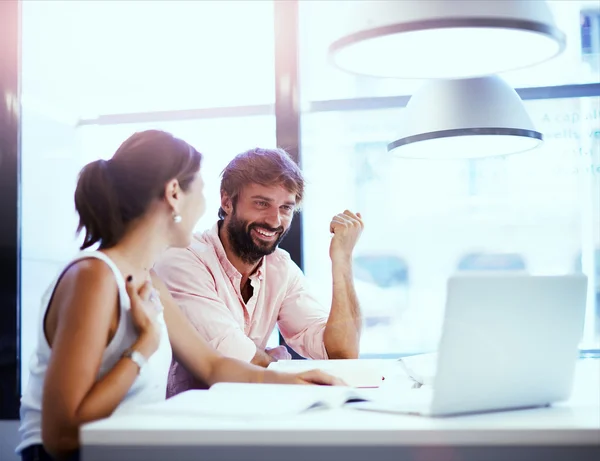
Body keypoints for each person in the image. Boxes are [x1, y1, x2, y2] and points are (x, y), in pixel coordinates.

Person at [16, 131, 340, 461]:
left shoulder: (148, 280)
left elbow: (213, 367)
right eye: (199, 190)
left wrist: (297, 381)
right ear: (174, 193)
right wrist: (143, 348)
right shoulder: (95, 277)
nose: (204, 207)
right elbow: (62, 435)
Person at [154, 147, 364, 397]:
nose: (274, 221)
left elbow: (341, 353)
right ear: (226, 201)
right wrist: (274, 365)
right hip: (184, 422)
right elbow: (235, 358)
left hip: (248, 413)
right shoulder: (184, 257)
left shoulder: (280, 268)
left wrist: (342, 260)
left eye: (285, 208)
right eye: (262, 203)